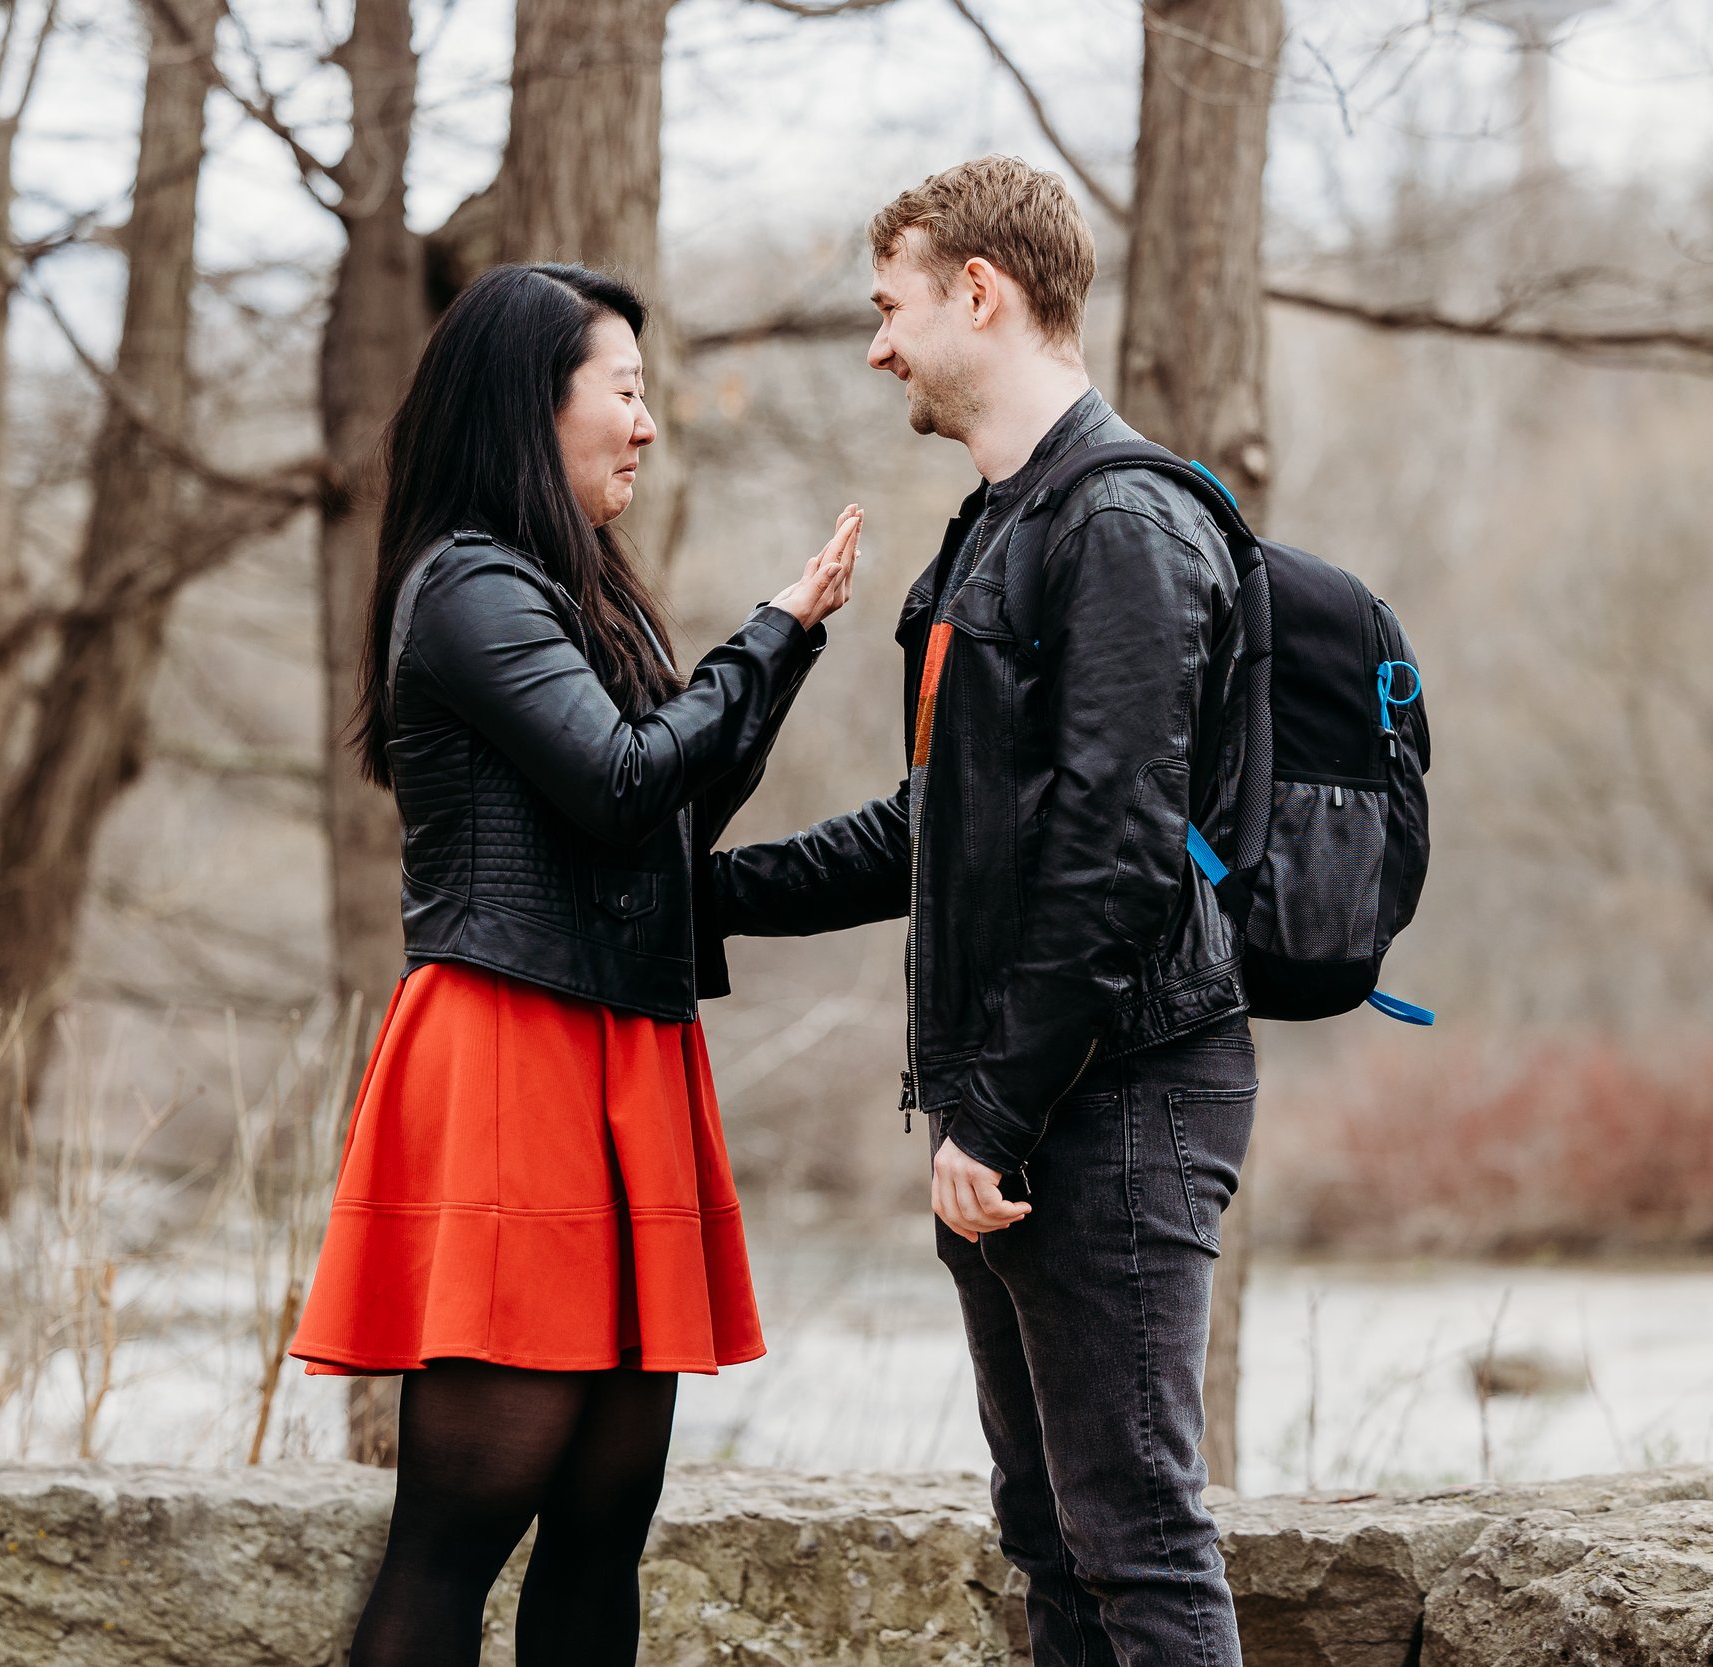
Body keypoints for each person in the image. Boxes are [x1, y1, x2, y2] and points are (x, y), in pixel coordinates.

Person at [708, 157, 1258, 1666]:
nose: (877, 346)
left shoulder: (1125, 526)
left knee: (1137, 1540)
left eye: (889, 308)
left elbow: (1120, 854)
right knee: (1053, 1542)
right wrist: (696, 899)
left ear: (979, 293)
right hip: (1011, 1110)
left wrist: (997, 1117)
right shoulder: (990, 532)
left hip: (1115, 1101)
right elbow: (934, 828)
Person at [287, 261, 862, 1666]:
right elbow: (618, 783)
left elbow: (661, 820)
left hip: (621, 1050)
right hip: (511, 1047)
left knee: (607, 1521)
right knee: (460, 1527)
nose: (648, 423)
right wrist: (769, 637)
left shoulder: (572, 587)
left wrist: (776, 660)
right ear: (533, 407)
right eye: (625, 390)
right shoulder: (470, 586)